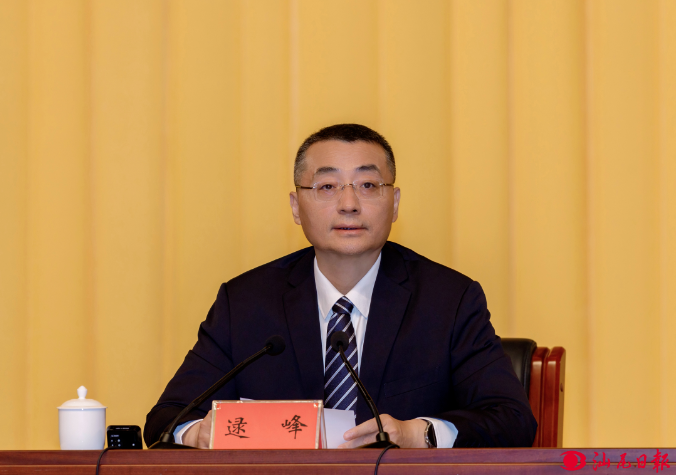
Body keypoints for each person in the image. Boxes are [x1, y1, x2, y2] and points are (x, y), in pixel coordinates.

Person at [144, 124, 537, 449]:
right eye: (327, 187)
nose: (349, 204)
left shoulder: (448, 300)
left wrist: (419, 433)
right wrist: (196, 434)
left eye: (368, 185)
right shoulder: (245, 303)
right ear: (296, 207)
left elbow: (513, 420)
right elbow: (167, 419)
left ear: (394, 203)